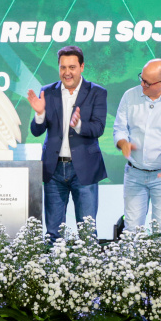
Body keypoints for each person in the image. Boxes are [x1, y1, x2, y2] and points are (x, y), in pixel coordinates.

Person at [26, 45, 108, 241]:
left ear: (82, 67)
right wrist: (39, 114)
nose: (67, 72)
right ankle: (54, 269)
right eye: (63, 67)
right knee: (53, 232)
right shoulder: (48, 92)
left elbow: (98, 129)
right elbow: (36, 131)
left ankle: (89, 269)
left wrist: (79, 125)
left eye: (72, 67)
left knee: (88, 232)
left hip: (84, 170)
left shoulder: (97, 92)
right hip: (53, 170)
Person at [113, 58, 161, 233]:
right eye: (141, 78)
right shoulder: (129, 96)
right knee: (131, 228)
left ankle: (159, 261)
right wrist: (123, 143)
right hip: (134, 173)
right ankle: (130, 261)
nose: (142, 84)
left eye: (147, 82)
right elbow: (119, 128)